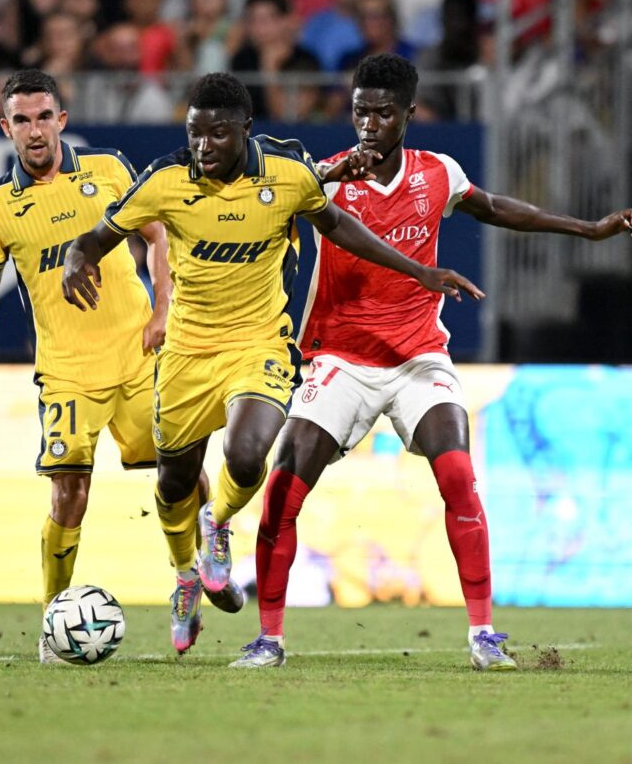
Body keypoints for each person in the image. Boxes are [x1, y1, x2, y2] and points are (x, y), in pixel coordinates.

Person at [232, 53, 632, 669]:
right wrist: (328, 172)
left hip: (417, 355)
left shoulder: (438, 172)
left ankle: (483, 634)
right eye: (360, 112)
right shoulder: (323, 178)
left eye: (382, 113)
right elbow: (267, 207)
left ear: (408, 114)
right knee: (283, 487)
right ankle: (269, 639)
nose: (369, 124)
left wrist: (587, 229)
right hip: (341, 358)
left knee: (457, 472)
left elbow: (496, 207)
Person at [61, 72, 482, 653]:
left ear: (246, 130)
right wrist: (76, 257)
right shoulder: (163, 179)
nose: (203, 146)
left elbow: (341, 227)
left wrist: (418, 271)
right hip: (186, 351)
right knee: (174, 481)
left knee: (247, 452)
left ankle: (218, 522)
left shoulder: (285, 172)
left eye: (218, 133)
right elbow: (96, 238)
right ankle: (185, 576)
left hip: (259, 343)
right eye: (195, 133)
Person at [0, 69, 174, 662]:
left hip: (138, 356)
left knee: (180, 474)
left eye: (44, 116)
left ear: (61, 120)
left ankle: (192, 576)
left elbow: (158, 236)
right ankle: (54, 621)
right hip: (67, 370)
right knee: (69, 493)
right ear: (6, 128)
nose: (35, 130)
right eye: (21, 120)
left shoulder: (109, 169)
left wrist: (163, 310)